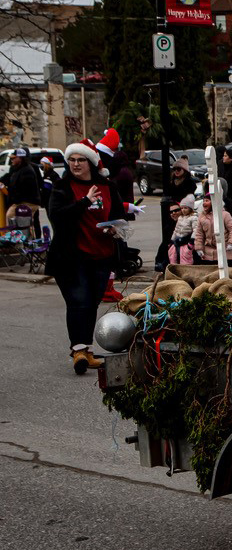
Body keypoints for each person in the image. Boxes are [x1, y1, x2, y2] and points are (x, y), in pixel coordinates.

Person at [48, 139, 125, 374]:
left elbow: (118, 214)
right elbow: (57, 216)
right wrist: (84, 202)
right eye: (71, 160)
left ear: (90, 162)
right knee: (78, 302)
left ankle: (87, 350)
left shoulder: (107, 186)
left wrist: (114, 228)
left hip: (101, 254)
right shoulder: (62, 187)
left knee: (91, 303)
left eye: (81, 160)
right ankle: (78, 350)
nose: (75, 164)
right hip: (72, 256)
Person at [194, 190, 232, 266]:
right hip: (208, 253)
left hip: (225, 251)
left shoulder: (225, 215)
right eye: (203, 201)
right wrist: (199, 248)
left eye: (207, 201)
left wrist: (231, 243)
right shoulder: (202, 217)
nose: (204, 203)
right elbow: (199, 234)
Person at [2, 148, 42, 229]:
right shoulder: (17, 169)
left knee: (13, 217)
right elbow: (8, 177)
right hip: (20, 201)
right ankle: (19, 237)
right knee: (20, 222)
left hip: (27, 202)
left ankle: (20, 238)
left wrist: (14, 199)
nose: (11, 160)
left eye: (13, 158)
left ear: (20, 158)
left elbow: (24, 190)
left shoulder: (27, 170)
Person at [168, 194, 197, 265]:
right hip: (177, 240)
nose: (183, 210)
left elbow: (195, 230)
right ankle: (174, 269)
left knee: (185, 257)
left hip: (186, 241)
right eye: (182, 208)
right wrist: (172, 240)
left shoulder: (193, 218)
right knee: (172, 255)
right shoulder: (180, 218)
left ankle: (185, 271)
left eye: (185, 208)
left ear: (190, 208)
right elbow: (176, 230)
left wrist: (191, 241)